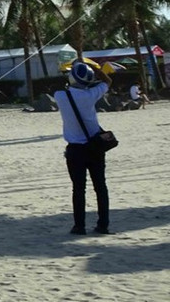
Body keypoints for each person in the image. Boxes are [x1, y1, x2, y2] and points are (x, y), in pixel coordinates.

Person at [53, 62, 113, 235]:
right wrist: (96, 69)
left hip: (75, 150)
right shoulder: (91, 94)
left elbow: (61, 85)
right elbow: (108, 81)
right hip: (95, 146)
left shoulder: (60, 96)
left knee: (78, 189)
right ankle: (103, 225)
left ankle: (79, 226)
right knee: (100, 187)